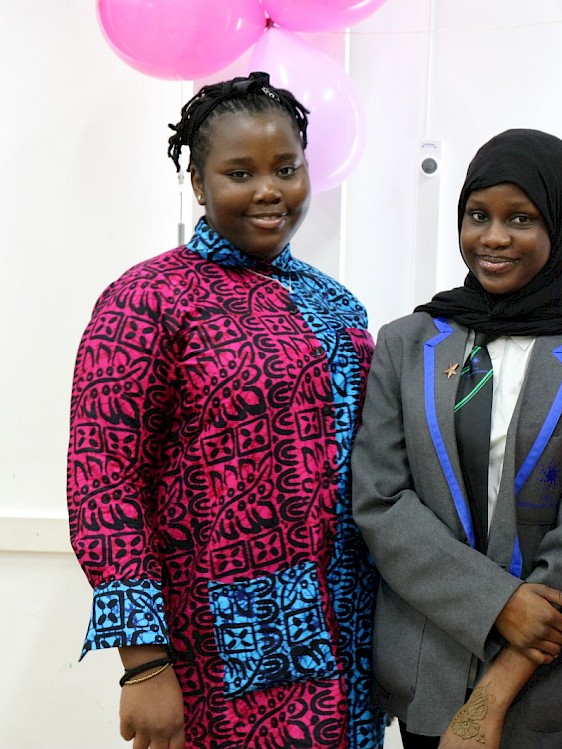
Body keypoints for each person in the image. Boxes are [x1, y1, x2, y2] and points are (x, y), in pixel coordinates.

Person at [67, 72, 382, 749]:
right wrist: (143, 664)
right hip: (219, 652)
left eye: (286, 169)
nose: (269, 190)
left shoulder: (338, 305)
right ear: (198, 183)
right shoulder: (147, 300)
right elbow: (104, 482)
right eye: (240, 173)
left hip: (349, 646)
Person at [351, 129, 562, 749]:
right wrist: (499, 603)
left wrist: (493, 693)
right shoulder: (406, 344)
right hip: (428, 673)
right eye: (477, 215)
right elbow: (381, 502)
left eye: (521, 219)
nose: (493, 237)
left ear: (561, 227)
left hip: (544, 686)